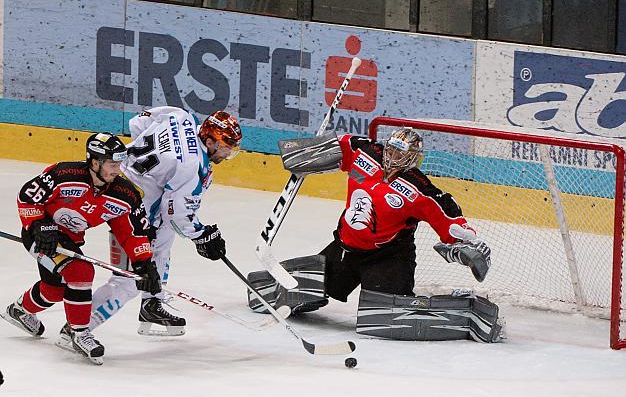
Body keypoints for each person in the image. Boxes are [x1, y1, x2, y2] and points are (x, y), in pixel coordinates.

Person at [248, 128, 502, 343]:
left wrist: (465, 245)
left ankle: (466, 310)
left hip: (388, 257)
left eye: (400, 154)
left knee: (385, 317)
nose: (392, 157)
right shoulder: (365, 153)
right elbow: (338, 146)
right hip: (345, 249)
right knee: (294, 292)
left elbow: (449, 221)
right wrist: (309, 152)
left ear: (413, 158)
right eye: (390, 150)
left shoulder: (420, 190)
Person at [1, 133, 160, 365]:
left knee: (54, 290)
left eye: (119, 164)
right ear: (95, 162)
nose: (117, 170)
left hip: (70, 241)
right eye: (112, 164)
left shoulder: (125, 195)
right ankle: (78, 333)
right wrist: (38, 224)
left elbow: (132, 232)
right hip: (40, 235)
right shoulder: (64, 175)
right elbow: (28, 197)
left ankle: (19, 310)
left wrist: (144, 263)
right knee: (81, 272)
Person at [90, 106, 242, 336]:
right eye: (225, 149)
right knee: (129, 280)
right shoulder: (193, 166)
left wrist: (155, 168)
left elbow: (137, 123)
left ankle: (152, 303)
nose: (226, 156)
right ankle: (79, 327)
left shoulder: (180, 116)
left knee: (163, 239)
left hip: (115, 177)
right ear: (210, 142)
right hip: (131, 208)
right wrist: (202, 236)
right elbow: (177, 214)